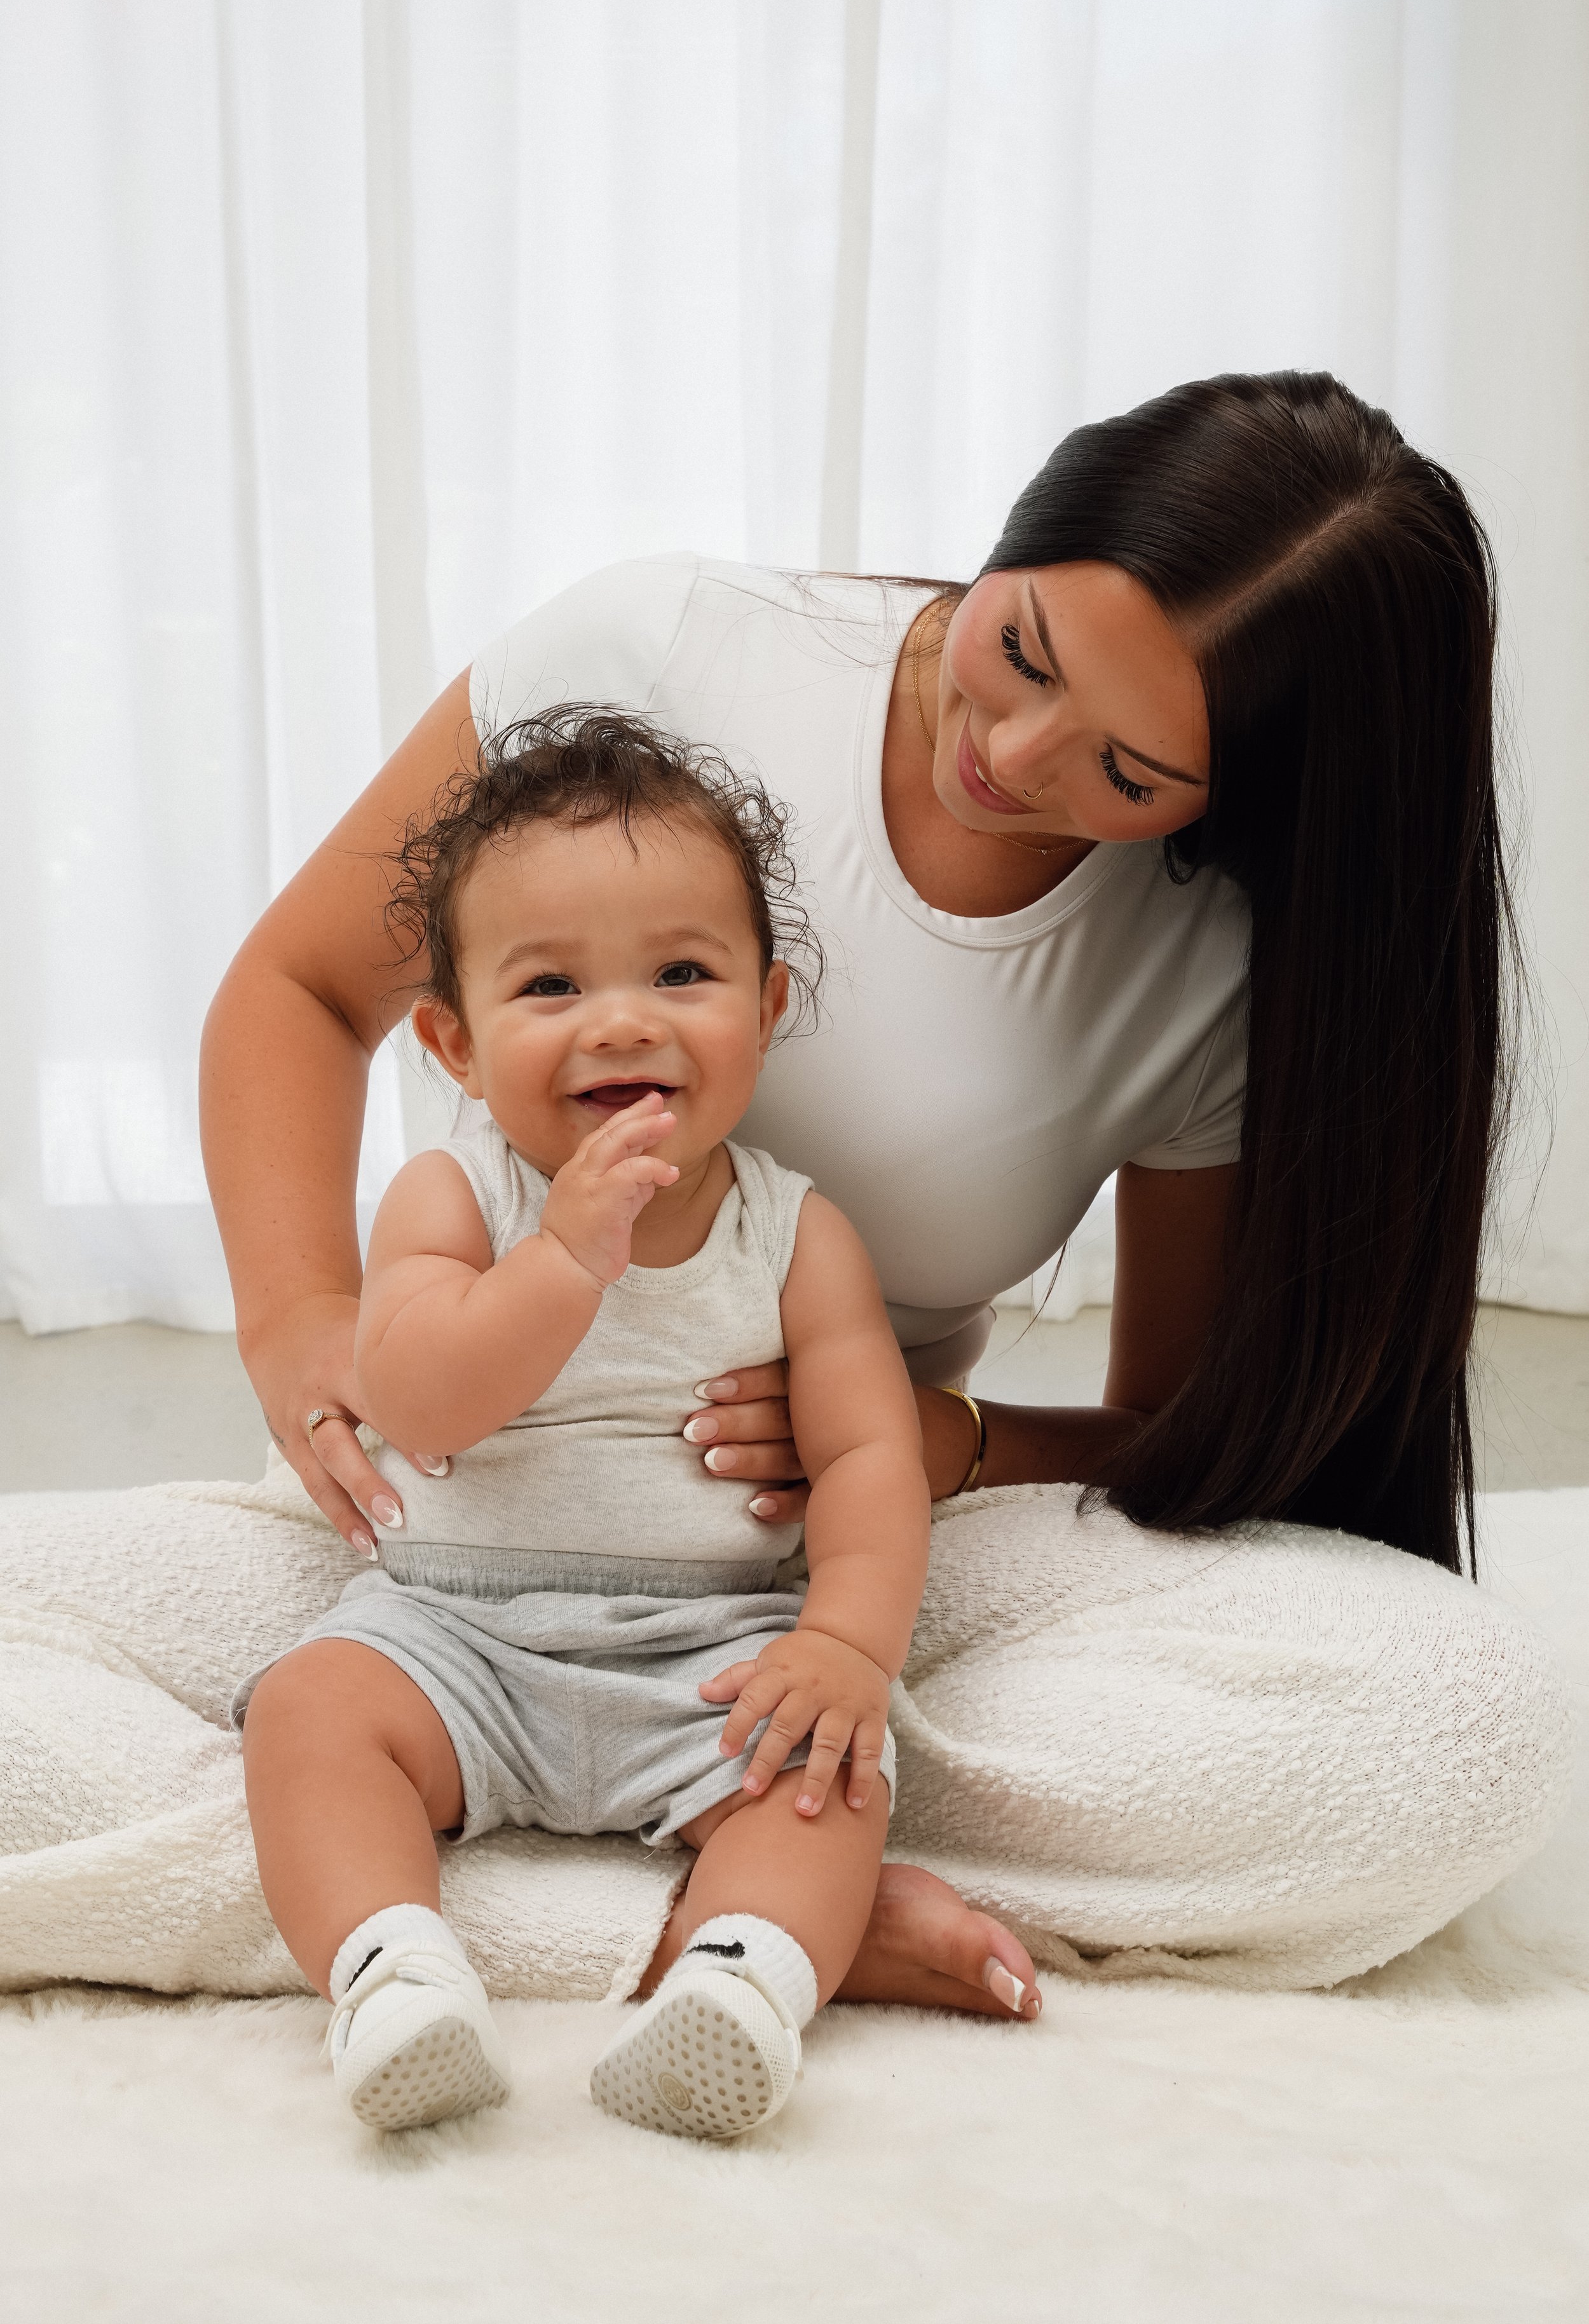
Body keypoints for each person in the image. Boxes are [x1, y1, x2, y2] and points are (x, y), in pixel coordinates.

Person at [181, 368, 1564, 2009]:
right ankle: (762, 1917)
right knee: (255, 1703)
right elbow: (301, 984)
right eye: (1021, 650)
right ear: (1025, 519)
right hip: (464, 1523)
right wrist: (297, 1318)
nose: (1013, 752)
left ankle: (713, 1867)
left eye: (1126, 772)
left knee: (1446, 1724)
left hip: (835, 1566)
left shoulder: (1211, 960)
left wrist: (932, 1452)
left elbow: (1183, 1440)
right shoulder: (663, 647)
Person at [235, 712, 931, 2137]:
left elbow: (869, 1456)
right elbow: (419, 1400)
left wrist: (845, 1647)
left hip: (711, 1657)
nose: (623, 1019)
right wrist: (561, 1257)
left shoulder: (795, 1235)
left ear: (767, 1000)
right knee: (308, 1714)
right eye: (550, 985)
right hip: (456, 1639)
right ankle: (393, 1970)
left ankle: (735, 1987)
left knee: (830, 1779)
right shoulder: (453, 1199)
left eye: (682, 972)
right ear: (456, 1045)